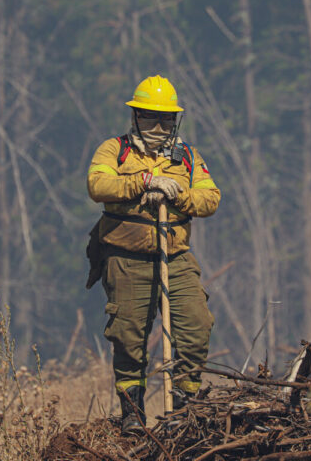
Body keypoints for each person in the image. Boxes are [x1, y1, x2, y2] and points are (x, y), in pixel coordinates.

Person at [86, 75, 220, 434]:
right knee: (128, 337)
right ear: (135, 117)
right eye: (149, 118)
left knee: (196, 327)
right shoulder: (115, 150)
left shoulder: (189, 156)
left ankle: (185, 407)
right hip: (125, 259)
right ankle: (133, 412)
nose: (158, 127)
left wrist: (177, 195)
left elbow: (211, 198)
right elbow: (97, 185)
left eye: (165, 119)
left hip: (174, 258)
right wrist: (143, 182)